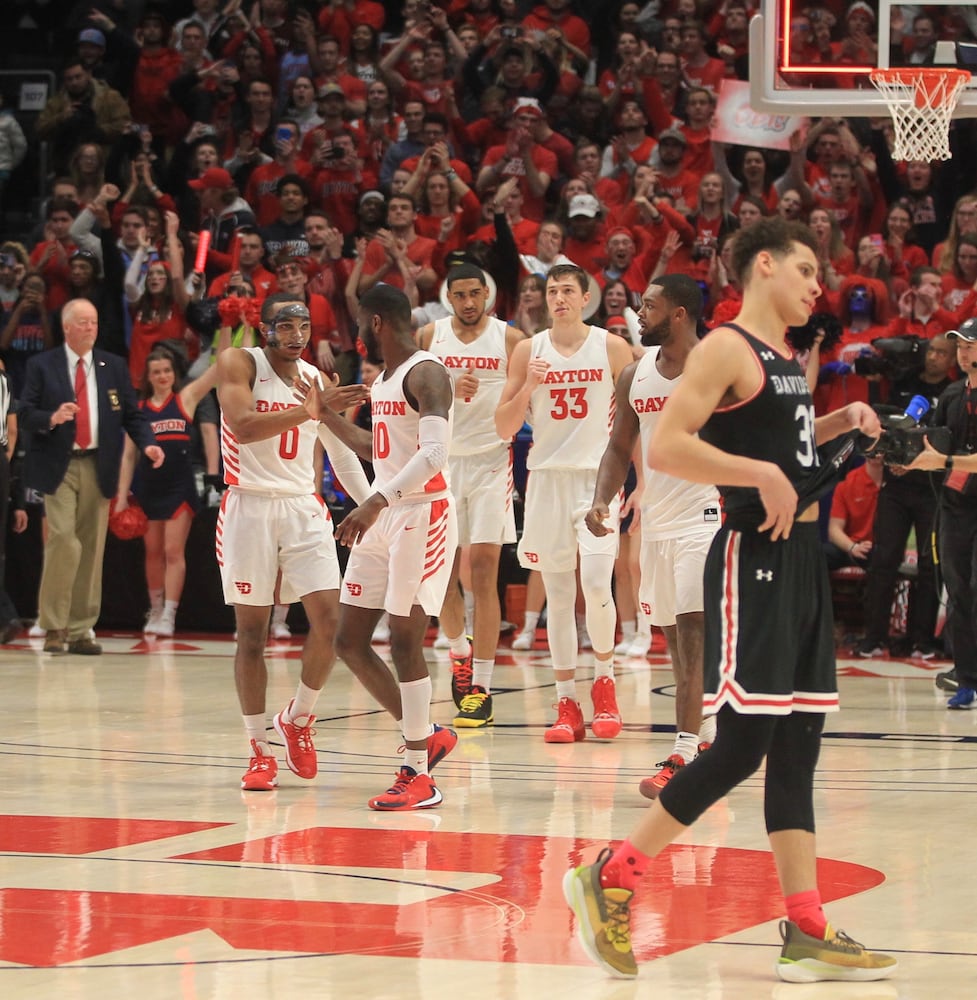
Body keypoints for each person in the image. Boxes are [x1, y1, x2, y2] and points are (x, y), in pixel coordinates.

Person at [563, 217, 895, 984]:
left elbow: (784, 451)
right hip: (754, 561)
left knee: (799, 749)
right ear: (765, 266)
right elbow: (669, 444)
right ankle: (611, 872)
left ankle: (805, 925)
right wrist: (759, 478)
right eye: (806, 269)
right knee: (742, 745)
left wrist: (841, 422)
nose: (818, 284)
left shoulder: (785, 357)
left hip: (803, 567)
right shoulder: (723, 346)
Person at [297, 283, 459, 810]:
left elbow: (434, 454)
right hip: (387, 513)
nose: (355, 335)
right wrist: (323, 415)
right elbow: (377, 447)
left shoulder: (426, 372)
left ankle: (418, 774)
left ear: (375, 323)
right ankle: (425, 735)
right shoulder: (387, 379)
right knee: (348, 638)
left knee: (405, 640)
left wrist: (375, 502)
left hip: (422, 512)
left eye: (358, 324)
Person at [587, 274, 721, 796]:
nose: (638, 313)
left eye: (650, 305)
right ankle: (707, 733)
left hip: (708, 516)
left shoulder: (716, 369)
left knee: (692, 635)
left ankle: (682, 754)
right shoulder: (635, 374)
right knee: (672, 638)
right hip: (658, 523)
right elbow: (619, 448)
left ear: (681, 314)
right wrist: (604, 499)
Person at [496, 264, 633, 743]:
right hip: (547, 479)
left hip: (597, 480)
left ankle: (605, 684)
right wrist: (530, 385)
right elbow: (503, 427)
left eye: (567, 290)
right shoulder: (528, 351)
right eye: (551, 291)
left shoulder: (611, 347)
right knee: (556, 594)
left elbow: (638, 417)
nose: (558, 298)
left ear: (586, 297)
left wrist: (639, 479)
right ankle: (565, 702)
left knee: (596, 582)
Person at [19, 299, 164, 655]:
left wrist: (148, 445)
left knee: (92, 548)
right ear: (67, 327)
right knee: (64, 540)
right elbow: (25, 413)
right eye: (83, 322)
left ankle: (82, 629)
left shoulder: (112, 366)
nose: (90, 328)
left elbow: (132, 415)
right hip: (60, 463)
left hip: (100, 464)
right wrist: (52, 418)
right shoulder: (43, 365)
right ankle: (54, 625)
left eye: (94, 322)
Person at [417, 263, 524, 728]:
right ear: (448, 297)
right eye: (459, 294)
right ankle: (459, 650)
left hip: (490, 462)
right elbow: (409, 399)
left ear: (488, 295)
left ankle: (481, 684)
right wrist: (447, 391)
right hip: (441, 462)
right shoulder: (428, 338)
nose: (467, 302)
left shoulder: (511, 340)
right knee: (439, 573)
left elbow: (525, 399)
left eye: (474, 293)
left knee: (483, 568)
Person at [115, 341, 224, 637]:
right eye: (156, 372)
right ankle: (156, 608)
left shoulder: (185, 399)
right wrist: (122, 495)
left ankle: (170, 615)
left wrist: (227, 326)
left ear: (174, 374)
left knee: (173, 550)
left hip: (180, 486)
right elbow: (128, 457)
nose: (162, 376)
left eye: (166, 370)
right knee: (152, 552)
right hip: (149, 488)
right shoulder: (138, 410)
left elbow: (218, 369)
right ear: (148, 376)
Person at [907, 320, 977, 707]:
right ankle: (966, 676)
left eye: (971, 344)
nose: (964, 351)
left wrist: (945, 459)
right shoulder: (951, 394)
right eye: (960, 345)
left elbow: (948, 457)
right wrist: (911, 458)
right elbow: (934, 448)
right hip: (955, 505)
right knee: (959, 590)